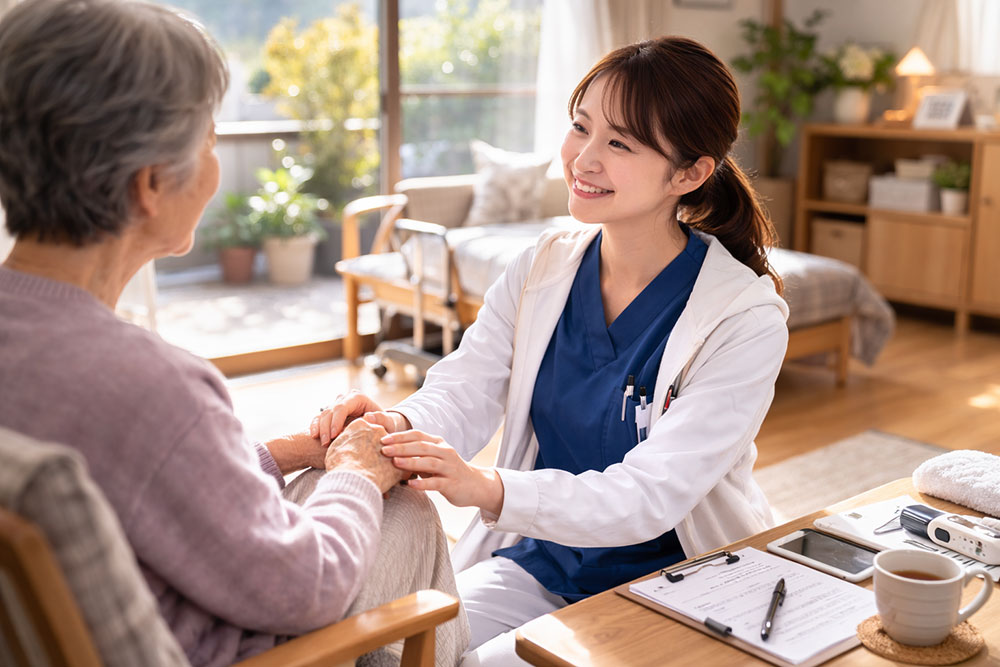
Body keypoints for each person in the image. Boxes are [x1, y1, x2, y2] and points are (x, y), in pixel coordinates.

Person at [0, 1, 468, 666]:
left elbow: (144, 476)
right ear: (152, 183)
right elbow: (309, 586)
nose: (215, 160)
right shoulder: (150, 385)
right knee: (407, 514)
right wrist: (358, 468)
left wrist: (287, 451)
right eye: (211, 140)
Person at [314, 35, 790, 664]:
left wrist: (486, 487)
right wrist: (396, 425)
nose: (583, 160)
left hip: (676, 583)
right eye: (580, 128)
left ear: (691, 173)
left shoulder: (743, 318)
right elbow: (467, 384)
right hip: (542, 557)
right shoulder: (544, 265)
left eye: (619, 143)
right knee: (403, 651)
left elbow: (649, 497)